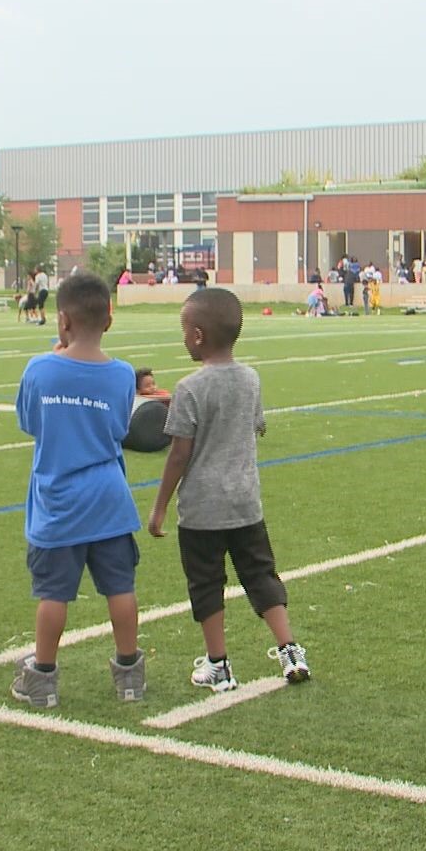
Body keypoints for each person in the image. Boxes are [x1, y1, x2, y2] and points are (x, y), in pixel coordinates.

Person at [148, 288, 311, 690]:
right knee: (260, 574)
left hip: (203, 508)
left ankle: (219, 663)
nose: (183, 338)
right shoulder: (250, 378)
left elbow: (178, 454)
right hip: (245, 502)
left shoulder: (188, 388)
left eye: (185, 331)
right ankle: (289, 650)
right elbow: (258, 426)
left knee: (206, 582)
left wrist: (159, 507)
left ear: (199, 336)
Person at [10, 273, 145, 708]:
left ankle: (43, 677)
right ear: (109, 319)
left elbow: (30, 423)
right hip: (108, 496)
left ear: (62, 320)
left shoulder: (40, 368)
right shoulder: (123, 374)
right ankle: (130, 676)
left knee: (54, 593)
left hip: (58, 500)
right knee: (119, 587)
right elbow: (120, 427)